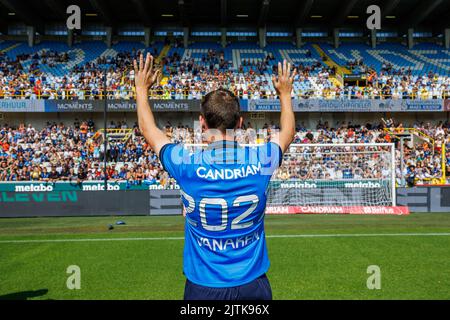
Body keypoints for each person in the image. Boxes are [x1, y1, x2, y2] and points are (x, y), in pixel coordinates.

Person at [134, 53, 297, 300]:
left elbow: (148, 130)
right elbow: (288, 133)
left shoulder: (185, 164)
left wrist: (141, 89)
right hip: (252, 286)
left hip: (203, 287)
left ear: (202, 123)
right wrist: (285, 93)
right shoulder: (260, 161)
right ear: (240, 123)